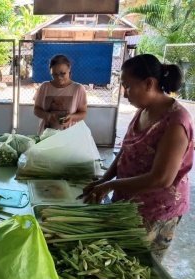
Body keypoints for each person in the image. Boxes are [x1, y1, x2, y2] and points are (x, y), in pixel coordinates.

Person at [83, 54, 193, 261]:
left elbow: (161, 179)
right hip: (128, 200)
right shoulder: (143, 110)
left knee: (140, 264)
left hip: (156, 209)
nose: (125, 94)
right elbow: (126, 150)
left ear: (149, 83)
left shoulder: (175, 121)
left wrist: (111, 186)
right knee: (118, 257)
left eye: (128, 86)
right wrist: (105, 179)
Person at [34, 54, 87, 135]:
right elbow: (36, 110)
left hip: (69, 135)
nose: (59, 77)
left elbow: (83, 113)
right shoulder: (44, 87)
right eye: (54, 74)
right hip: (46, 135)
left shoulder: (78, 89)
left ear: (69, 69)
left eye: (63, 73)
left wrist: (72, 117)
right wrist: (47, 116)